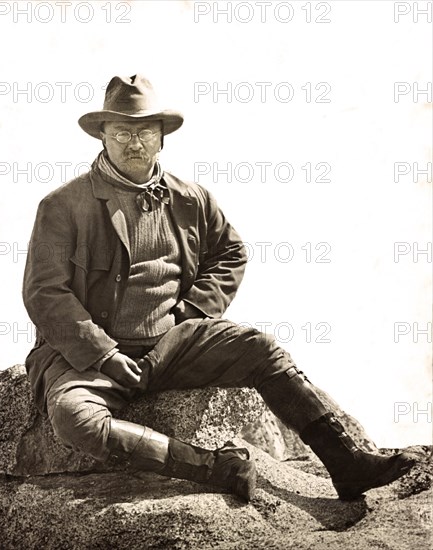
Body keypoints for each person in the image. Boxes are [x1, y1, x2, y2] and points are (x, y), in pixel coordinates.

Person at [23, 74, 415, 502]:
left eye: (144, 132)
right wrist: (105, 354)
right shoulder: (62, 206)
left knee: (260, 348)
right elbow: (45, 293)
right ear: (102, 137)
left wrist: (190, 315)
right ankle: (217, 467)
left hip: (174, 347)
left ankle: (347, 463)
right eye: (121, 132)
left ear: (162, 139)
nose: (133, 143)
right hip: (89, 362)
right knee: (73, 419)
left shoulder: (191, 199)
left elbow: (231, 254)